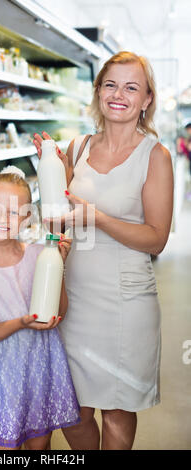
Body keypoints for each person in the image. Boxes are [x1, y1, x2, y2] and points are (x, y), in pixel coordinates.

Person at [33, 51, 174, 450]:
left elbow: (156, 238)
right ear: (98, 92)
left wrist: (98, 218)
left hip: (126, 302)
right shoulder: (77, 149)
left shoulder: (155, 157)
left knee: (115, 409)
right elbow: (60, 217)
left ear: (146, 99)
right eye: (110, 84)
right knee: (72, 409)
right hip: (74, 298)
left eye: (132, 87)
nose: (119, 94)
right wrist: (50, 173)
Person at [0, 166, 80, 450]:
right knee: (9, 447)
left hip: (42, 366)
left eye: (14, 212)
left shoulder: (41, 255)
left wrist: (59, 266)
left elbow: (60, 310)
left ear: (27, 218)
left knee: (40, 445)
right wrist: (21, 322)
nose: (3, 219)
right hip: (6, 375)